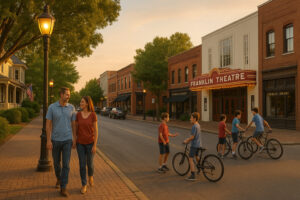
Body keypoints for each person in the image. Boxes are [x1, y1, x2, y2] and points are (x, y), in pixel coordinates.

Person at [46, 87, 76, 197]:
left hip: (67, 140)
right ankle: (58, 177)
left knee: (66, 165)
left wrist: (75, 138)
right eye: (67, 94)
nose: (69, 96)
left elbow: (73, 124)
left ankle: (63, 187)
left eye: (69, 94)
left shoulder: (72, 108)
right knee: (56, 163)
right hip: (55, 140)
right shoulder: (52, 107)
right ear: (61, 95)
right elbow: (48, 124)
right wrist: (48, 140)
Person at [76, 96, 99, 194]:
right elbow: (76, 129)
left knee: (89, 164)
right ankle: (84, 184)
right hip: (80, 143)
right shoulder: (78, 115)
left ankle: (90, 176)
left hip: (90, 143)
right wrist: (74, 139)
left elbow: (96, 131)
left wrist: (95, 145)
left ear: (87, 103)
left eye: (82, 102)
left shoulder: (93, 115)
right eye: (80, 102)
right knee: (82, 165)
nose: (81, 103)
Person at [184, 112, 202, 181]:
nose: (190, 119)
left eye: (191, 118)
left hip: (194, 145)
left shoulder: (194, 126)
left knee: (190, 158)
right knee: (196, 156)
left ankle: (192, 175)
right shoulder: (198, 125)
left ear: (194, 119)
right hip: (199, 144)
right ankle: (199, 167)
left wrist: (186, 140)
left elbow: (192, 137)